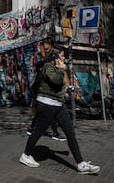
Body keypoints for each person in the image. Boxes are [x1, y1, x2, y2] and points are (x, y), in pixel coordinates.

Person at [19, 46, 101, 175]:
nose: (64, 58)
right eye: (62, 56)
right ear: (55, 56)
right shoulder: (48, 66)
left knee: (70, 132)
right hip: (47, 104)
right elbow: (56, 80)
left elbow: (59, 85)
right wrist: (61, 69)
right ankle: (26, 155)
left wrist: (66, 91)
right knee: (39, 130)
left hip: (58, 104)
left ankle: (81, 164)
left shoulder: (55, 68)